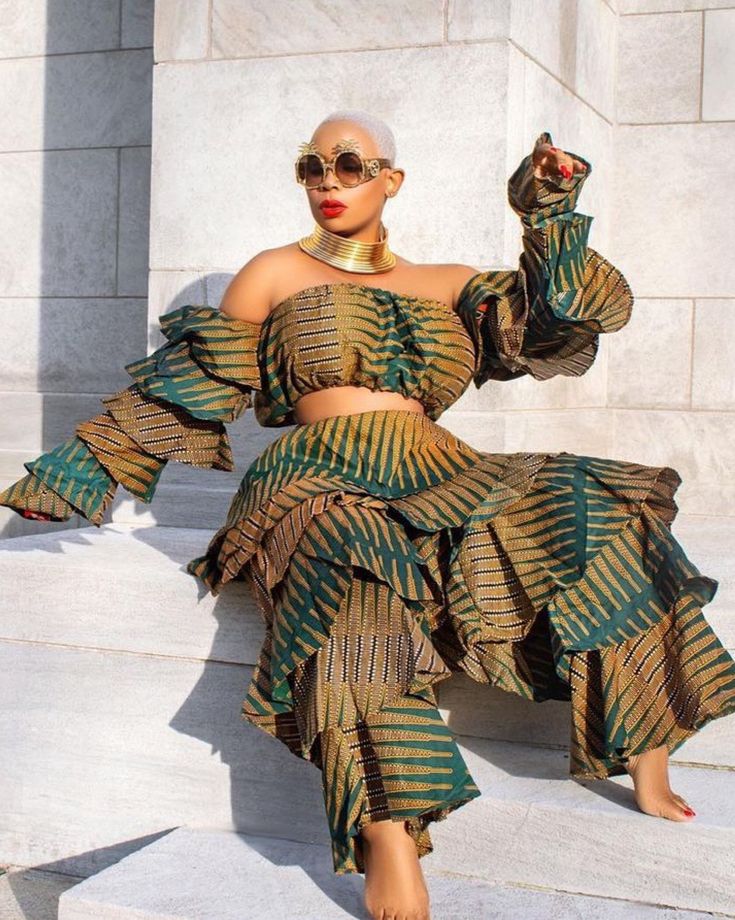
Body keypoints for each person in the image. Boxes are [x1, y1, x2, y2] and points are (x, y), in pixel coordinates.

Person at [3, 108, 735, 920]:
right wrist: (79, 472)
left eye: (349, 165)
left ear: (391, 179)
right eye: (311, 166)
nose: (328, 182)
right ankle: (388, 834)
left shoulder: (448, 284)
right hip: (317, 477)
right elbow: (184, 385)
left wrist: (547, 211)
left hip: (436, 468)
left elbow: (561, 324)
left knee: (592, 504)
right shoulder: (274, 272)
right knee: (352, 571)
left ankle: (643, 745)